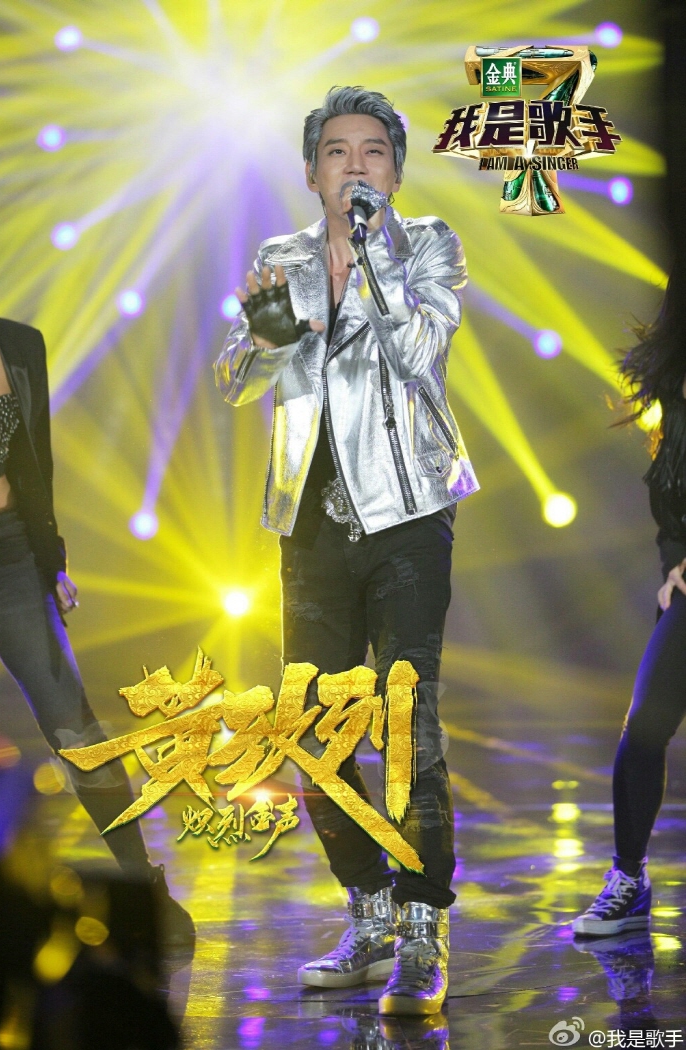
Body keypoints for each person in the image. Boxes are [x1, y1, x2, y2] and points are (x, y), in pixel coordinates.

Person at [215, 86, 478, 1014]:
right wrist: (267, 336)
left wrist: (370, 258)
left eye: (373, 152)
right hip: (311, 526)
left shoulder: (427, 245)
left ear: (394, 173)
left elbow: (421, 353)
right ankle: (368, 911)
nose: (354, 165)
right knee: (314, 739)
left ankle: (422, 928)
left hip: (406, 516)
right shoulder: (280, 259)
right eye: (337, 151)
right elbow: (234, 379)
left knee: (406, 728)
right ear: (311, 171)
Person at [0, 215, 194, 947]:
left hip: (11, 555)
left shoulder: (19, 344)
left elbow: (34, 464)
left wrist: (52, 560)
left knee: (76, 728)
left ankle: (142, 886)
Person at [573, 265, 686, 936]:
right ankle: (629, 878)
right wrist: (673, 565)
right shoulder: (675, 386)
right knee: (644, 726)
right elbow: (668, 491)